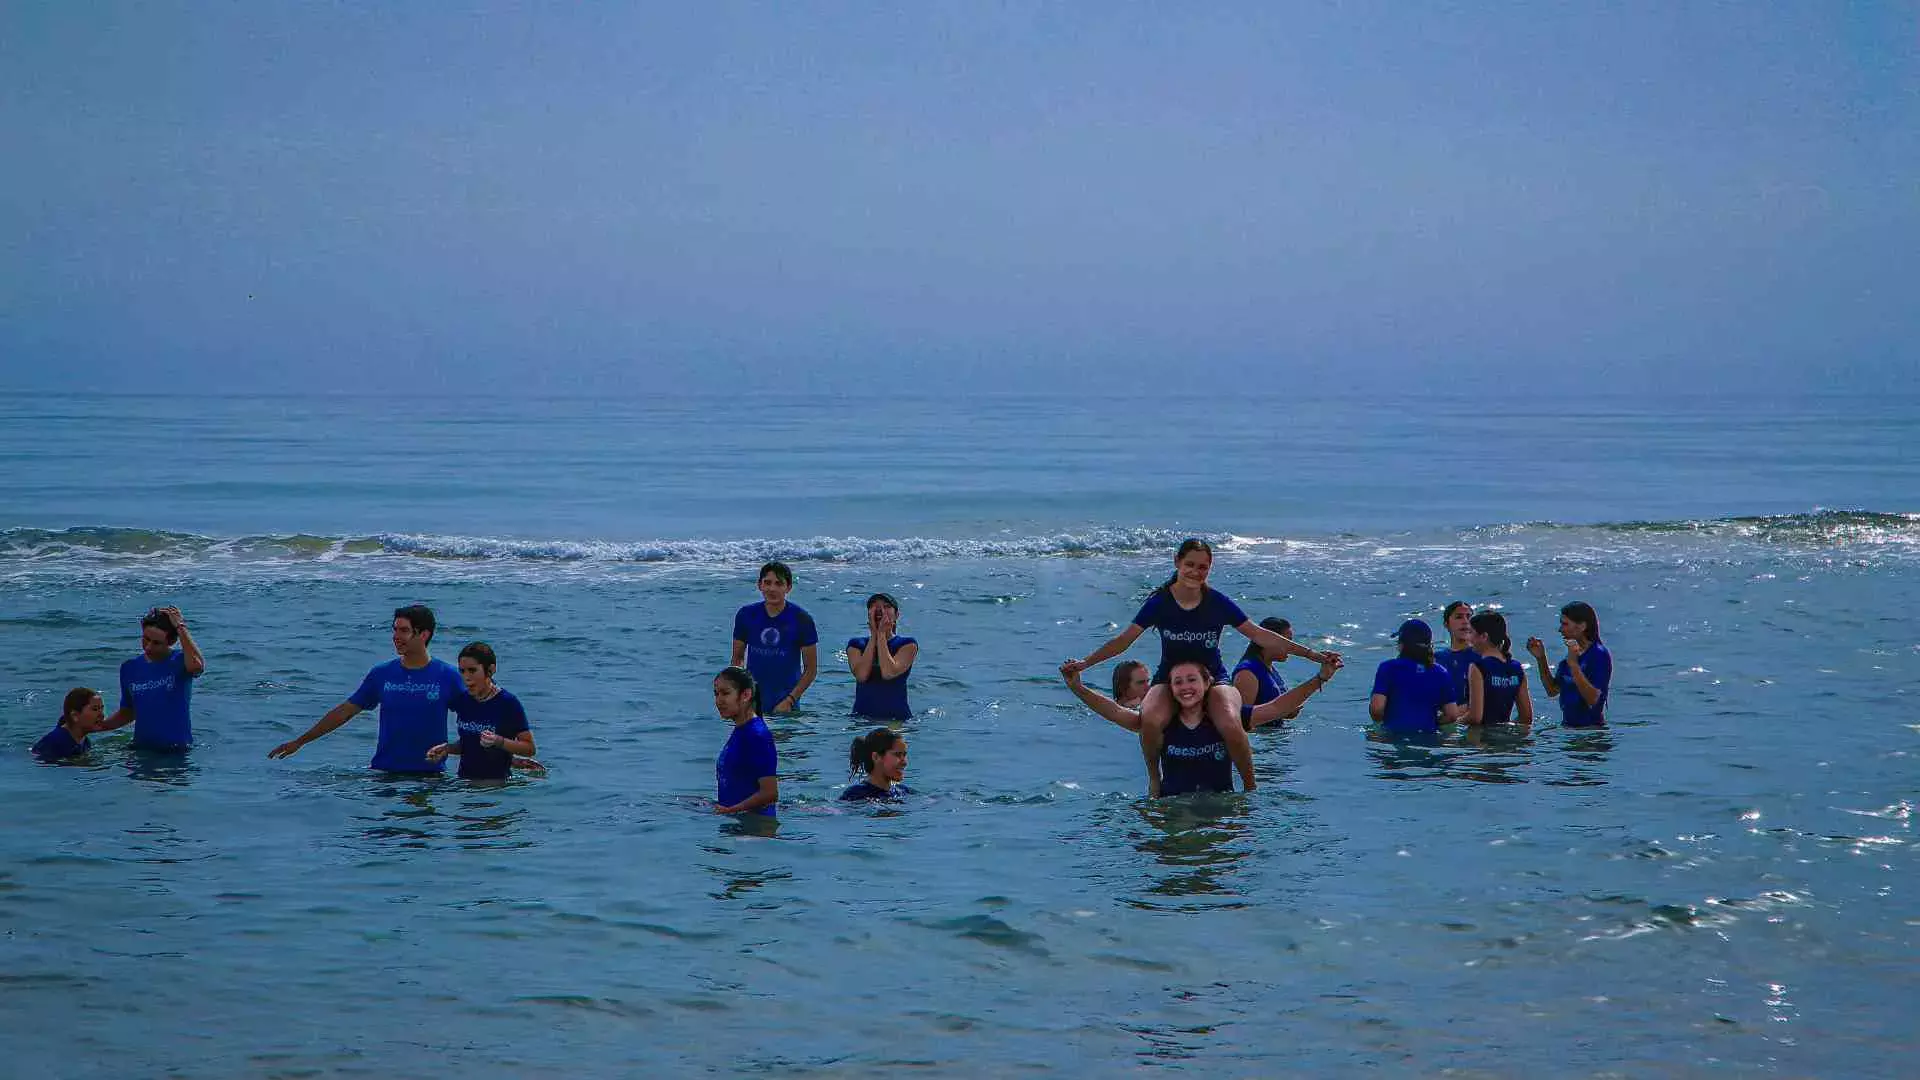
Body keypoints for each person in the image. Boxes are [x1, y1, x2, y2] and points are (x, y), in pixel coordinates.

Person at [1061, 539, 1339, 796]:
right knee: (1149, 720)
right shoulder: (1160, 603)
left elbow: (1260, 635)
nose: (1196, 572)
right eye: (1190, 565)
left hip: (1212, 677)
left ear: (1210, 568)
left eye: (1203, 567)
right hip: (1171, 678)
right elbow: (1124, 641)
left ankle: (1250, 787)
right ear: (1177, 563)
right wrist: (1085, 664)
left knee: (1231, 721)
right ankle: (1154, 779)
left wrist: (1313, 655)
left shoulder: (1217, 602)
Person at [268, 605, 467, 773]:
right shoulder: (382, 674)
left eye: (404, 631)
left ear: (424, 634)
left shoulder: (448, 676)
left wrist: (457, 749)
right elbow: (345, 712)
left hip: (429, 777)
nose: (396, 636)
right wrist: (300, 742)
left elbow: (477, 717)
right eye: (394, 630)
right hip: (383, 773)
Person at [1064, 654, 1342, 736]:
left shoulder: (1224, 719)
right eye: (1178, 682)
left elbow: (1277, 707)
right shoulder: (1159, 721)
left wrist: (1320, 679)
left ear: (1208, 683)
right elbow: (1112, 711)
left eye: (1192, 680)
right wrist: (1077, 687)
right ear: (1169, 688)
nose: (1186, 687)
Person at [94, 607, 206, 750]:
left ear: (171, 642)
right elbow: (128, 712)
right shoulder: (130, 668)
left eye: (156, 643)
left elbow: (197, 666)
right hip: (141, 749)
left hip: (175, 751)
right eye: (146, 639)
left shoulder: (180, 661)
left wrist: (180, 627)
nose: (148, 647)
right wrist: (96, 727)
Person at [425, 642, 536, 780]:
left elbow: (529, 748)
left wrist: (499, 741)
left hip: (496, 787)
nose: (466, 677)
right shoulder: (463, 701)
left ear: (491, 669)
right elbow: (470, 743)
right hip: (465, 784)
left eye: (472, 670)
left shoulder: (507, 703)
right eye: (462, 671)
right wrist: (447, 749)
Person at [730, 561, 819, 715]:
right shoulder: (746, 615)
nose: (772, 589)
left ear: (788, 587)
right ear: (759, 585)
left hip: (785, 705)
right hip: (752, 704)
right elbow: (737, 660)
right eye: (767, 583)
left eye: (779, 584)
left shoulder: (802, 619)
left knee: (783, 739)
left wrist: (790, 700)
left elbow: (810, 670)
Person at [1369, 619, 1463, 735]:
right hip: (1428, 736)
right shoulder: (1441, 672)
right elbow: (1452, 715)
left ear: (1401, 645)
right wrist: (1433, 723)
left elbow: (1377, 710)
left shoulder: (1388, 668)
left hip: (1394, 735)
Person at [1527, 601, 1612, 728]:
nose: (1560, 629)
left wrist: (1574, 665)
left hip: (1591, 732)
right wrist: (1541, 659)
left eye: (1565, 624)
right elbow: (1552, 690)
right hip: (1568, 729)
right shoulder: (1572, 655)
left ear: (1582, 626)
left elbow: (1594, 699)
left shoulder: (1598, 654)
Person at [712, 666, 778, 816]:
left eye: (725, 693)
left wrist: (731, 810)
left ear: (746, 694)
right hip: (735, 822)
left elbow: (770, 793)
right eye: (716, 694)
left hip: (755, 830)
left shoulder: (757, 735)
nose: (719, 700)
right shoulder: (741, 730)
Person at [847, 593, 917, 720]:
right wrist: (874, 636)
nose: (880, 610)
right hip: (861, 718)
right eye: (875, 607)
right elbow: (861, 675)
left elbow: (888, 672)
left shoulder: (907, 644)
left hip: (896, 719)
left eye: (886, 607)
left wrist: (881, 635)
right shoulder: (856, 645)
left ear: (896, 615)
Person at [1465, 611, 1533, 727]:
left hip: (1481, 739)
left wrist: (1454, 722)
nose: (1468, 638)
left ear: (1484, 636)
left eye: (1471, 632)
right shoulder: (1516, 668)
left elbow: (1475, 717)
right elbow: (1526, 717)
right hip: (1506, 740)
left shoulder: (1478, 667)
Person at [1231, 616, 1300, 727]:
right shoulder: (1247, 672)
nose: (1291, 647)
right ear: (1269, 641)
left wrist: (1287, 712)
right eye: (1287, 641)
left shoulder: (1269, 668)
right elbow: (1241, 721)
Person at [32, 688, 104, 762]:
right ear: (75, 715)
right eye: (95, 709)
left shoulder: (85, 742)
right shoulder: (54, 743)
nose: (102, 715)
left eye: (101, 709)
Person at [840, 727, 910, 801]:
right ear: (876, 757)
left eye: (904, 755)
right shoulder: (856, 794)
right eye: (897, 755)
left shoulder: (903, 791)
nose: (905, 762)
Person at [1435, 601, 1475, 708]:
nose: (1465, 621)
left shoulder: (1481, 656)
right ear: (1446, 624)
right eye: (1459, 617)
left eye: (1468, 617)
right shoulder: (1437, 659)